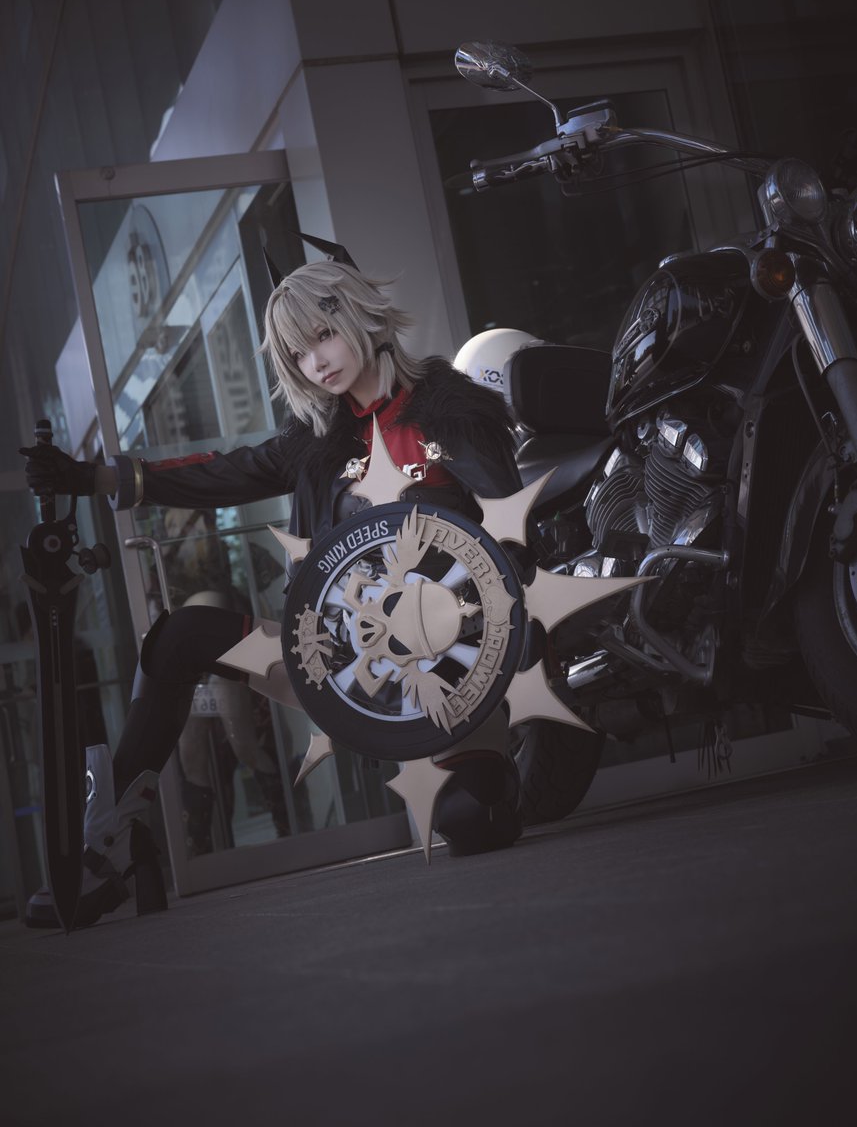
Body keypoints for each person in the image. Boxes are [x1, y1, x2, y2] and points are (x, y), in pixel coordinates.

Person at [21, 259, 524, 929]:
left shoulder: (449, 413)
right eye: (297, 353)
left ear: (361, 316)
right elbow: (226, 472)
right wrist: (92, 478)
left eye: (323, 335)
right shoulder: (320, 440)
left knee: (472, 819)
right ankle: (108, 844)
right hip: (336, 668)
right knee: (180, 636)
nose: (316, 362)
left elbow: (513, 534)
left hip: (446, 676)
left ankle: (506, 769)